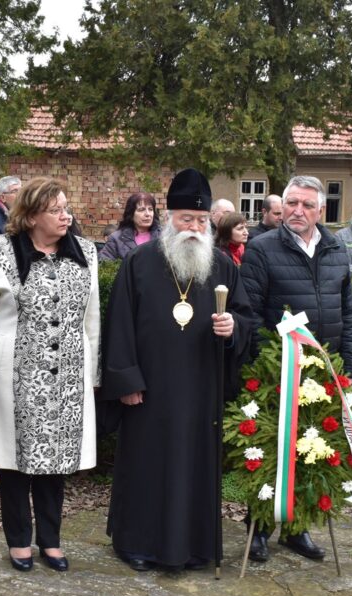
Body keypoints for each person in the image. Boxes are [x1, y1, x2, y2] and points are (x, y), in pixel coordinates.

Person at [102, 168, 253, 572]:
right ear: (170, 217)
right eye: (186, 219)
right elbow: (118, 325)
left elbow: (246, 318)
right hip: (149, 391)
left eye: (202, 221)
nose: (194, 227)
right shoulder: (139, 262)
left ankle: (195, 547)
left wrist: (233, 328)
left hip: (202, 390)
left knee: (194, 468)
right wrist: (127, 380)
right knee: (146, 465)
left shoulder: (222, 266)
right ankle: (138, 544)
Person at [0, 177, 100, 573]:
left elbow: (92, 318)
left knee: (57, 463)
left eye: (66, 208)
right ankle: (19, 540)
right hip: (12, 374)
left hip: (68, 375)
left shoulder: (86, 252)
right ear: (30, 216)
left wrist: (91, 374)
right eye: (55, 209)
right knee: (12, 461)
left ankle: (52, 540)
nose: (65, 216)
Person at [240, 175, 352, 563]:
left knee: (310, 452)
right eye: (291, 203)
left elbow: (349, 314)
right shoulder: (261, 249)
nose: (297, 211)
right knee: (271, 453)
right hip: (278, 373)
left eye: (306, 205)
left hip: (324, 370)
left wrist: (349, 367)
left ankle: (296, 528)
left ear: (320, 211)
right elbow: (250, 313)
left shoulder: (337, 249)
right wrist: (266, 364)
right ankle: (258, 528)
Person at [99, 192, 161, 261]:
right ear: (131, 214)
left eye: (150, 209)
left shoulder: (163, 236)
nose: (147, 214)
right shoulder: (116, 239)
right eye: (141, 210)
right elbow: (105, 266)